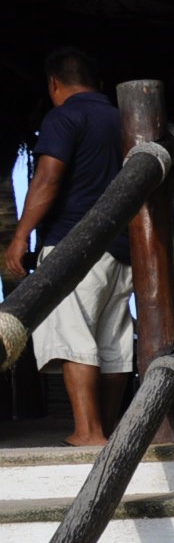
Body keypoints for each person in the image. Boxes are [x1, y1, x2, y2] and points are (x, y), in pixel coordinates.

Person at [0, 49, 131, 447]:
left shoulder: (64, 117)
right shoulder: (126, 119)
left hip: (74, 245)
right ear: (99, 83)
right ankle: (107, 431)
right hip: (123, 250)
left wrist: (21, 236)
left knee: (75, 338)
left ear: (54, 83)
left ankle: (88, 432)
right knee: (114, 341)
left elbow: (48, 178)